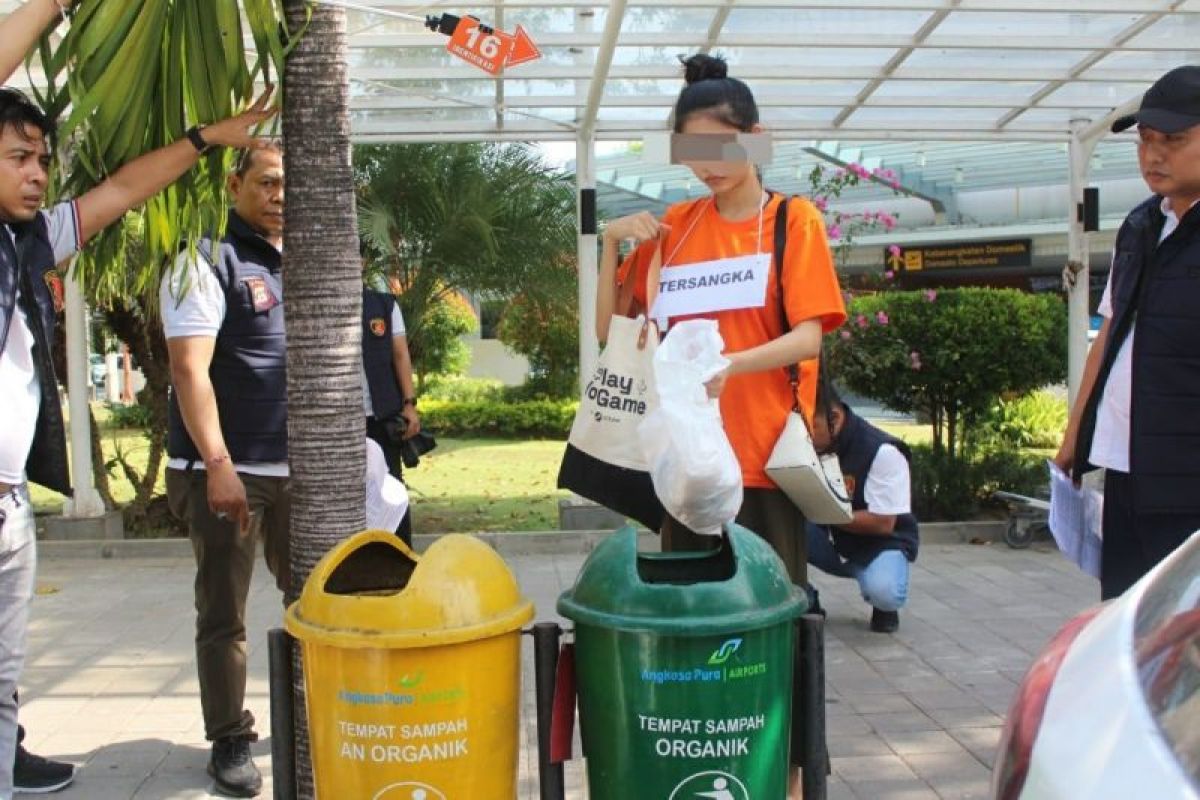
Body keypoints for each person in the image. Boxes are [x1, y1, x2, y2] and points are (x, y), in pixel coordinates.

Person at [0, 2, 275, 797]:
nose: (38, 173)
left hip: (12, 508)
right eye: (19, 157)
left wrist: (203, 141)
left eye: (42, 160)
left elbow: (120, 187)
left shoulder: (32, 239)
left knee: (3, 678)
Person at [596, 53, 846, 800]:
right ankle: (705, 763)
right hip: (686, 471)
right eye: (691, 153)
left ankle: (789, 775)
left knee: (773, 620)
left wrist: (728, 365)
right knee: (696, 624)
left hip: (764, 462)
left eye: (718, 148)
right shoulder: (673, 228)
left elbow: (810, 336)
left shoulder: (790, 222)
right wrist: (610, 248)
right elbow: (619, 333)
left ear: (755, 138)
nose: (706, 168)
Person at [161, 142, 284, 798]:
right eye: (266, 182)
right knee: (224, 611)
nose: (280, 194)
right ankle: (229, 739)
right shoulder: (205, 259)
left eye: (287, 182)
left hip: (296, 471)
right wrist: (218, 464)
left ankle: (303, 713)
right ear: (233, 184)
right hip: (227, 470)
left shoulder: (305, 258)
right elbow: (188, 368)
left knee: (315, 598)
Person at [1055, 65, 1200, 600]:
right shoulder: (1140, 226)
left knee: (1182, 646)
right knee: (1125, 620)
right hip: (1125, 468)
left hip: (1187, 482)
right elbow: (1112, 330)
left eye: (1174, 140)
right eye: (1145, 141)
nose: (1154, 155)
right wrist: (1076, 433)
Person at [805, 381, 918, 633]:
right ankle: (805, 597)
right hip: (826, 539)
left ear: (834, 417)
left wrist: (825, 513)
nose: (807, 436)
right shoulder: (806, 447)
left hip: (878, 544)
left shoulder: (883, 452)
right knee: (774, 523)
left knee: (885, 591)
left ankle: (884, 606)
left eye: (813, 426)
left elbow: (883, 523)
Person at [361, 283, 420, 544]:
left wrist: (409, 404)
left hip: (382, 416)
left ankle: (401, 559)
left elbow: (400, 354)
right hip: (337, 421)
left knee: (391, 489)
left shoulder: (384, 304)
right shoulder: (320, 299)